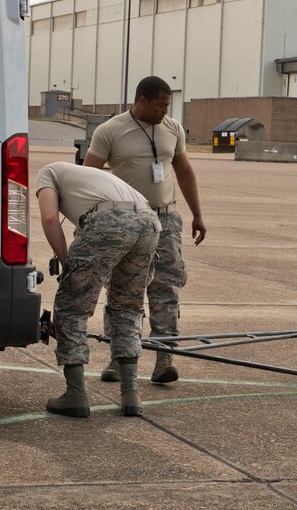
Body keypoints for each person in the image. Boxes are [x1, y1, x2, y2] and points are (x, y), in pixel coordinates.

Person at [84, 76, 206, 384]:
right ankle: (119, 357)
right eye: (160, 105)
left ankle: (164, 356)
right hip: (125, 221)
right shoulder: (110, 131)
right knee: (124, 290)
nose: (165, 111)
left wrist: (197, 215)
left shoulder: (172, 129)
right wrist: (84, 222)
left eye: (168, 105)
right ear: (141, 101)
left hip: (165, 219)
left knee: (166, 287)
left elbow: (185, 171)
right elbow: (87, 178)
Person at [36, 161, 161, 418]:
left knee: (71, 308)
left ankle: (76, 394)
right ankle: (130, 394)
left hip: (109, 220)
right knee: (127, 305)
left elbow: (50, 218)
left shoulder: (47, 173)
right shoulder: (88, 178)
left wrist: (66, 263)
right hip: (149, 222)